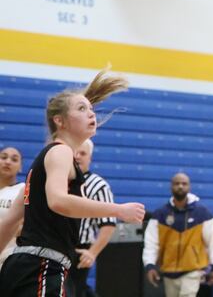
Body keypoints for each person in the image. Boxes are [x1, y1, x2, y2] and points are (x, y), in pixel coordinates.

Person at [0, 68, 146, 297]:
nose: (91, 114)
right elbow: (58, 201)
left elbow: (8, 223)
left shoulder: (43, 162)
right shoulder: (61, 152)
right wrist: (118, 210)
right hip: (43, 265)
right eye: (81, 108)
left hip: (20, 267)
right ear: (60, 121)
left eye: (90, 108)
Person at [143, 173, 213, 297]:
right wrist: (150, 265)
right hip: (168, 270)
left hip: (193, 269)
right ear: (171, 187)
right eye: (177, 183)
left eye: (184, 184)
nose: (180, 186)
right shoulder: (160, 215)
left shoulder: (203, 214)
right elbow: (151, 243)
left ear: (189, 187)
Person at [70, 139, 116, 297]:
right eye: (75, 151)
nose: (77, 156)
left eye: (83, 153)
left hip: (79, 250)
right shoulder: (59, 180)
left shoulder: (98, 185)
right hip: (56, 245)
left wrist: (92, 253)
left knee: (75, 290)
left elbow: (108, 224)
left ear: (90, 158)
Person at [0, 147, 24, 268]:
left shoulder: (23, 190)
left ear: (20, 167)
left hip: (10, 261)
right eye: (3, 157)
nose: (8, 161)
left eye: (14, 159)